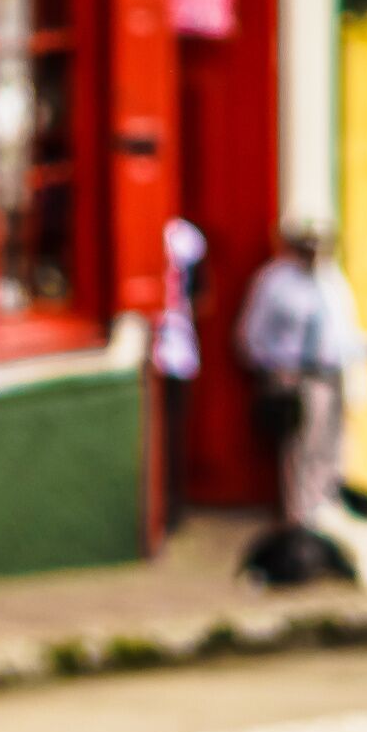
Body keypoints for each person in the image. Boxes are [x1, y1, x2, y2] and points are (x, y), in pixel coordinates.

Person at [235, 213, 367, 581]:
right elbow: (251, 336)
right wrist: (277, 370)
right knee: (300, 452)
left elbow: (342, 332)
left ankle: (326, 521)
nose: (315, 253)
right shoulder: (274, 283)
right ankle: (300, 526)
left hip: (332, 374)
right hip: (297, 378)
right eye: (308, 245)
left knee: (331, 452)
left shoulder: (331, 281)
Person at [153, 214, 209, 533]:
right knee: (167, 434)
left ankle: (171, 508)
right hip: (168, 349)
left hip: (174, 350)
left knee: (170, 434)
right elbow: (202, 297)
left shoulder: (187, 238)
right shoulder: (187, 237)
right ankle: (169, 509)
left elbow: (201, 295)